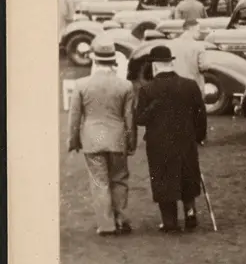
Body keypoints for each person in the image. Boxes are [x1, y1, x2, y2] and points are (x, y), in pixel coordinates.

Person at [135, 44, 208, 233]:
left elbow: (140, 119)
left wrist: (154, 107)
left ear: (156, 66)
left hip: (159, 143)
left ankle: (170, 221)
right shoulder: (189, 85)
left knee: (163, 179)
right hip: (185, 139)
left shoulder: (147, 90)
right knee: (188, 174)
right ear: (170, 63)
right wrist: (199, 136)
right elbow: (200, 114)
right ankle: (190, 213)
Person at [67, 42, 137, 236]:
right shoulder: (125, 85)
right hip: (117, 138)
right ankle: (121, 220)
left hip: (92, 139)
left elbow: (74, 116)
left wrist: (73, 141)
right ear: (114, 62)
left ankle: (106, 225)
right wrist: (131, 142)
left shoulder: (81, 84)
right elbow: (130, 117)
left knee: (99, 181)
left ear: (95, 60)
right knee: (120, 180)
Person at [171, 18, 209, 94]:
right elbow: (204, 66)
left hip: (174, 85)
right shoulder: (198, 46)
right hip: (193, 86)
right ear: (191, 29)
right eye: (198, 30)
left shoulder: (171, 44)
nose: (199, 33)